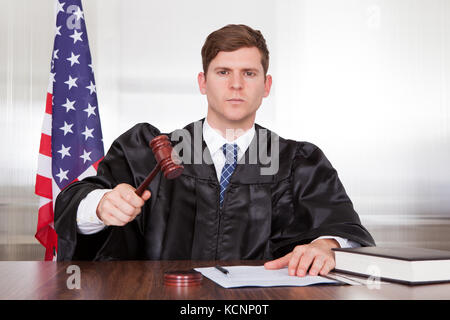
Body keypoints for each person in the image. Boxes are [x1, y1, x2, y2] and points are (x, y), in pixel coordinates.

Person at [55, 24, 375, 277]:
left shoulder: (300, 163)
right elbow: (73, 203)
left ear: (266, 85)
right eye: (223, 72)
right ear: (203, 82)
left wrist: (327, 245)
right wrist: (100, 205)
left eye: (249, 73)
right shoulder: (146, 152)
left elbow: (342, 226)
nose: (236, 84)